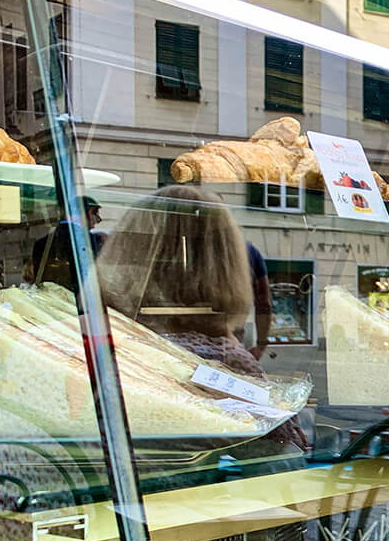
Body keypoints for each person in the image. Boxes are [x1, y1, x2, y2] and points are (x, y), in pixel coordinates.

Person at [97, 185, 307, 450]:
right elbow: (284, 458)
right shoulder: (227, 361)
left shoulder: (99, 343)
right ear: (226, 265)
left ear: (126, 250)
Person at [30, 196, 105, 295]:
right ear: (80, 213)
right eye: (94, 213)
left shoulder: (41, 243)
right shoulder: (92, 240)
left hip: (51, 301)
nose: (98, 219)